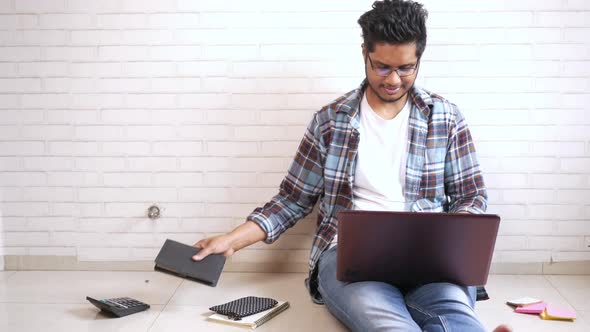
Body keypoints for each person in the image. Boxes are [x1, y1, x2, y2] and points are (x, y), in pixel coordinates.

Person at [193, 1, 512, 331]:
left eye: (405, 68)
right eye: (382, 67)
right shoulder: (330, 121)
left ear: (419, 59)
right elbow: (292, 199)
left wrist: (451, 238)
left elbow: (471, 197)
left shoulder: (445, 117)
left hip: (430, 260)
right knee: (385, 322)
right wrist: (232, 239)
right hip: (349, 259)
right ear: (365, 53)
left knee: (454, 313)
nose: (393, 80)